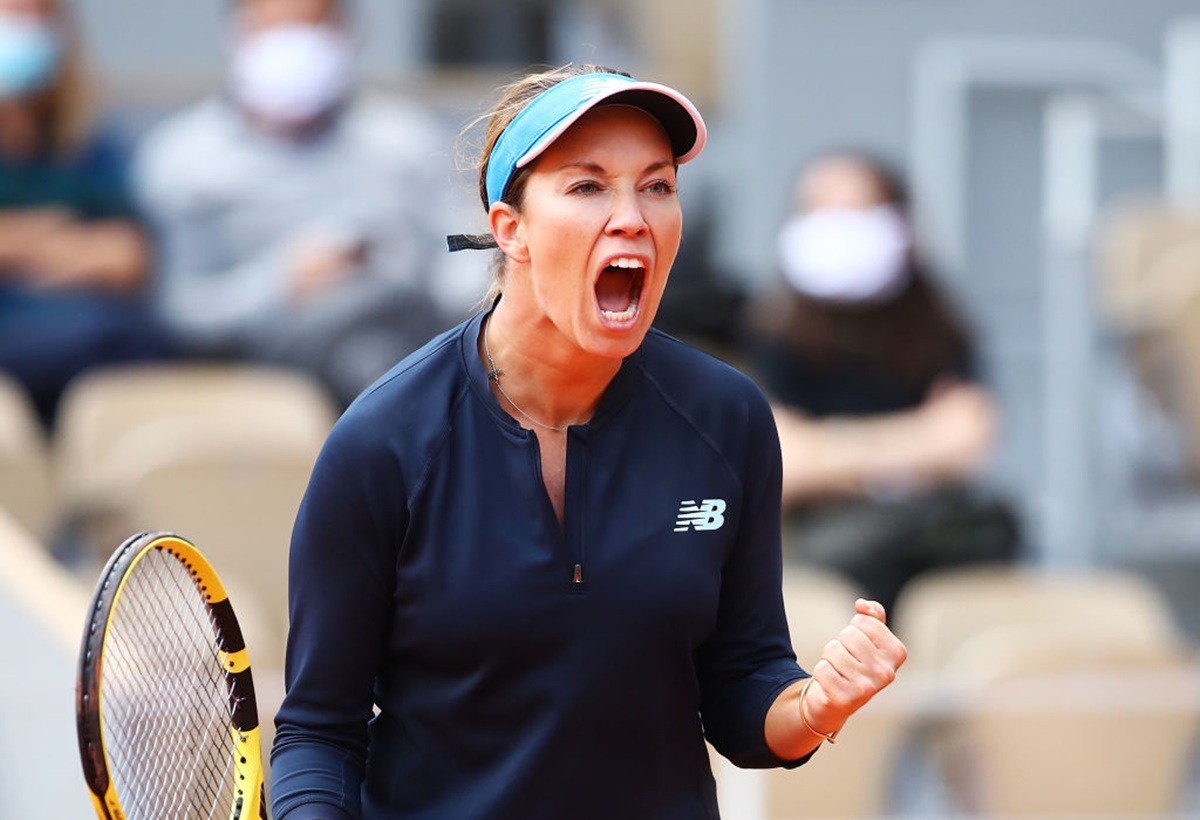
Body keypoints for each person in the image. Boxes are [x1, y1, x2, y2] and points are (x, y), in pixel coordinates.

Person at [270, 64, 906, 819]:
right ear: (512, 230)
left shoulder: (727, 418)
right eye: (587, 186)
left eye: (657, 185)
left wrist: (819, 704)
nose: (633, 216)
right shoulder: (381, 443)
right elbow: (319, 733)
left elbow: (742, 686)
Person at [134, 0, 461, 408]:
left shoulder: (407, 140)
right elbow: (183, 313)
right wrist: (284, 281)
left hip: (410, 326)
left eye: (311, 27)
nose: (294, 45)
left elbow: (460, 262)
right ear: (236, 32)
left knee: (388, 340)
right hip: (276, 347)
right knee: (375, 356)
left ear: (348, 32)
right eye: (275, 28)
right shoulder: (183, 159)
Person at [745, 151, 1021, 614]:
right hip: (825, 549)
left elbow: (968, 439)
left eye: (856, 211)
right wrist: (918, 444)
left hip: (938, 539)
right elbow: (782, 464)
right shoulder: (768, 331)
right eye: (820, 211)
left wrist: (830, 453)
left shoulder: (940, 325)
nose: (837, 228)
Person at [0, 0, 173, 428]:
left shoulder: (92, 145)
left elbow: (126, 260)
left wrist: (17, 244)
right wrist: (60, 241)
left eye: (29, 20)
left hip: (94, 352)